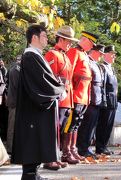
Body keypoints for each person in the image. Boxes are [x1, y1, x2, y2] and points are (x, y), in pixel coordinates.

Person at [11, 24, 65, 180]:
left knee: (35, 141)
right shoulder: (30, 56)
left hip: (35, 108)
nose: (47, 39)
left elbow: (45, 79)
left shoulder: (36, 55)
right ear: (34, 37)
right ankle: (29, 175)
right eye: (44, 36)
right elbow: (42, 82)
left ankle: (34, 173)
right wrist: (60, 89)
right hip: (32, 109)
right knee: (32, 141)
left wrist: (57, 87)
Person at [44, 26, 79, 170]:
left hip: (66, 99)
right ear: (61, 39)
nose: (70, 44)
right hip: (58, 98)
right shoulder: (52, 54)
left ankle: (56, 157)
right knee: (53, 129)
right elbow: (50, 77)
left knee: (61, 129)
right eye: (68, 41)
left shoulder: (64, 55)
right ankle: (48, 159)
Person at [67, 31, 99, 159]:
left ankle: (73, 149)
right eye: (91, 43)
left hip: (83, 96)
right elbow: (69, 74)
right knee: (70, 125)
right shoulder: (74, 52)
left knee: (76, 124)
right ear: (85, 40)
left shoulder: (84, 55)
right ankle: (67, 151)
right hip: (75, 95)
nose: (92, 47)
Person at [77, 44, 105, 158]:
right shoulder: (88, 62)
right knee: (86, 126)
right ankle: (82, 149)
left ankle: (86, 147)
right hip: (90, 98)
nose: (101, 56)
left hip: (97, 99)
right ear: (94, 51)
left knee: (92, 126)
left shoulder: (96, 64)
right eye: (100, 53)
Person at [95, 45, 118, 155]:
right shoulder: (102, 67)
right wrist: (103, 100)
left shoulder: (111, 68)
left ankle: (104, 146)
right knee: (103, 125)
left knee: (109, 125)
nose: (114, 56)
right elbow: (103, 86)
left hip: (113, 100)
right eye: (112, 54)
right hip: (106, 100)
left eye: (114, 54)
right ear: (106, 54)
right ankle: (100, 147)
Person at [6, 55, 21, 154]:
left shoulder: (17, 69)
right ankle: (10, 149)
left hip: (16, 102)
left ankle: (14, 148)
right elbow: (18, 86)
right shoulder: (15, 70)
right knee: (12, 127)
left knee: (15, 126)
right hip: (14, 102)